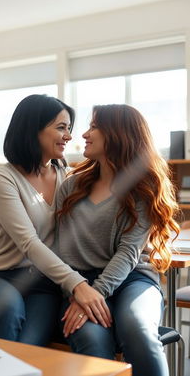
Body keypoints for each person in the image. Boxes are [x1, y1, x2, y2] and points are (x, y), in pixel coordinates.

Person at [0, 94, 111, 345]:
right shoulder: (3, 178)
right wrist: (78, 285)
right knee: (7, 310)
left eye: (69, 128)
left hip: (44, 285)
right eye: (61, 128)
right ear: (33, 129)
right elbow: (29, 243)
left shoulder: (67, 175)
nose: (69, 136)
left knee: (30, 345)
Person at [55, 104, 180, 376]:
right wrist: (78, 291)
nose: (84, 134)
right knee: (91, 339)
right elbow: (60, 250)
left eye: (94, 126)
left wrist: (97, 292)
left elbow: (128, 253)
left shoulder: (144, 187)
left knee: (137, 328)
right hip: (80, 282)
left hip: (133, 278)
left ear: (118, 134)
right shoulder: (70, 186)